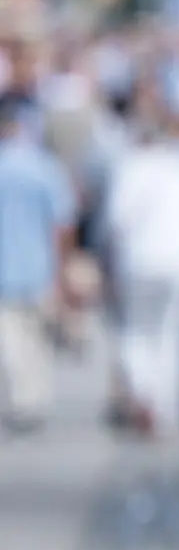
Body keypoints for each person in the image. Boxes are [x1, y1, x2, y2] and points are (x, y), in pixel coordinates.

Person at [98, 108, 179, 437]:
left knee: (135, 331)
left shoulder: (129, 167)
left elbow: (116, 222)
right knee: (173, 335)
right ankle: (164, 410)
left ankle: (144, 393)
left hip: (138, 261)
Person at [0, 96, 76, 433]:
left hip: (7, 268)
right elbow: (63, 222)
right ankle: (35, 399)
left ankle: (24, 400)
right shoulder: (45, 167)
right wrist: (63, 267)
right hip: (39, 265)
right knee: (37, 338)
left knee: (12, 338)